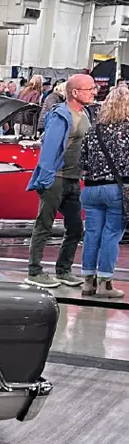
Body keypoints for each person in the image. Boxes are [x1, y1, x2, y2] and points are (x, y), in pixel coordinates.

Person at [25, 74, 97, 288]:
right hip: (56, 179)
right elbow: (48, 150)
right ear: (75, 92)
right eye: (90, 88)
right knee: (44, 226)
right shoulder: (61, 116)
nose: (95, 91)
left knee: (75, 228)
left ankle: (63, 270)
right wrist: (45, 180)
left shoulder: (84, 113)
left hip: (73, 180)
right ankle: (34, 271)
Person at [78, 86, 129, 298]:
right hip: (118, 190)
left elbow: (83, 162)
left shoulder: (93, 130)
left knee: (92, 235)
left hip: (91, 190)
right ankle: (105, 284)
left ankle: (87, 282)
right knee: (111, 236)